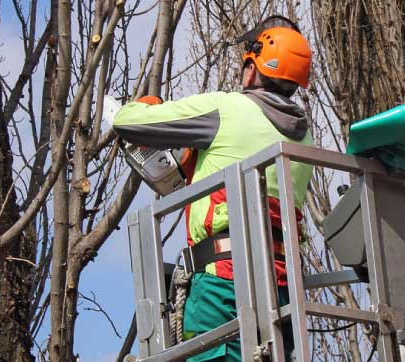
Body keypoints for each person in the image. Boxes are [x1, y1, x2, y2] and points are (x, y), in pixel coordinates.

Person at [112, 16, 315, 361]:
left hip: (222, 285)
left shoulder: (227, 109)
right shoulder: (304, 138)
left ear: (252, 68)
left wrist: (147, 105)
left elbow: (126, 122)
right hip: (282, 290)